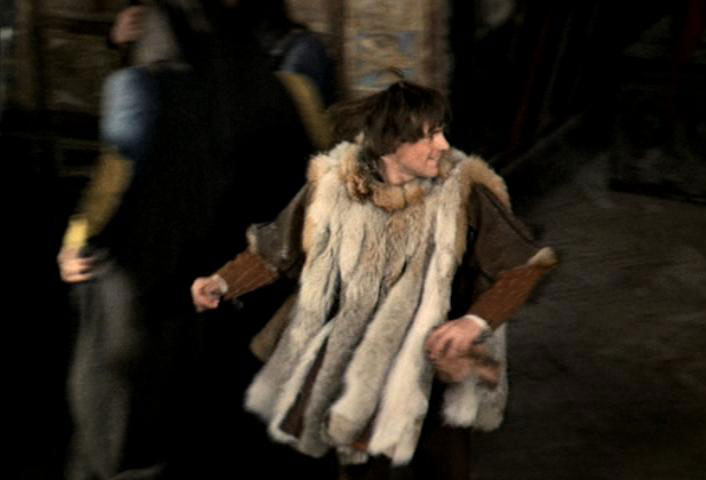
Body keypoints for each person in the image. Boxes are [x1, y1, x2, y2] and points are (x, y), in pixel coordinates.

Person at [191, 80, 557, 479]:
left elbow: (526, 266)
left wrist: (474, 322)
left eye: (441, 131)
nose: (442, 144)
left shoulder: (461, 192)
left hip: (432, 357)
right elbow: (278, 249)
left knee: (440, 461)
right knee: (361, 460)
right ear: (391, 144)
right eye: (428, 135)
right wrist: (224, 282)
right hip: (358, 357)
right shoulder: (333, 187)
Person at [57, 1, 319, 478]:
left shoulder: (139, 86)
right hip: (246, 275)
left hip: (159, 266)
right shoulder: (281, 87)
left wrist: (77, 238)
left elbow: (117, 171)